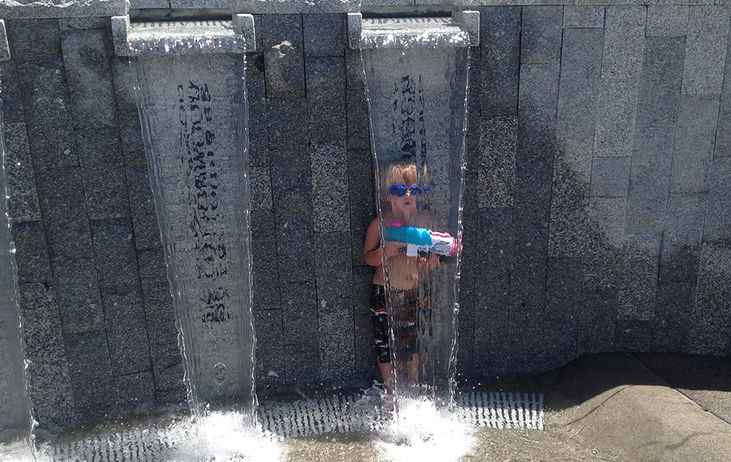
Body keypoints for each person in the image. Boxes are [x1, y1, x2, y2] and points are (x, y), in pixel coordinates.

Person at [362, 159, 439, 399]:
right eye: (399, 190)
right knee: (384, 343)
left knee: (413, 342)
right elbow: (368, 258)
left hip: (412, 291)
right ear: (388, 196)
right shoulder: (380, 224)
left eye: (413, 190)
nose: (407, 195)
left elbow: (426, 260)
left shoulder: (424, 223)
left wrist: (430, 262)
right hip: (384, 292)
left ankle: (413, 387)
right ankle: (390, 390)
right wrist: (386, 251)